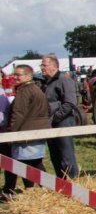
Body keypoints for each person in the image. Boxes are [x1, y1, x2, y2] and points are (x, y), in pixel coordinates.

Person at [2, 65, 51, 199]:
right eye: (15, 74)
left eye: (19, 75)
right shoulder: (36, 89)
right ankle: (35, 189)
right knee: (33, 161)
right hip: (37, 131)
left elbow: (18, 114)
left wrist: (11, 134)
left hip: (27, 132)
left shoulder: (24, 91)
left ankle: (46, 187)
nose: (16, 77)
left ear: (28, 76)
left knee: (32, 163)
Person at [41, 55, 80, 179]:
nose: (42, 68)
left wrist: (56, 117)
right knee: (55, 154)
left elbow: (70, 102)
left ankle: (73, 180)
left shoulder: (64, 80)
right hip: (51, 122)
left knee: (66, 153)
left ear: (54, 66)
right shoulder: (47, 82)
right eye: (41, 65)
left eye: (44, 65)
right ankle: (61, 181)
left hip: (63, 121)